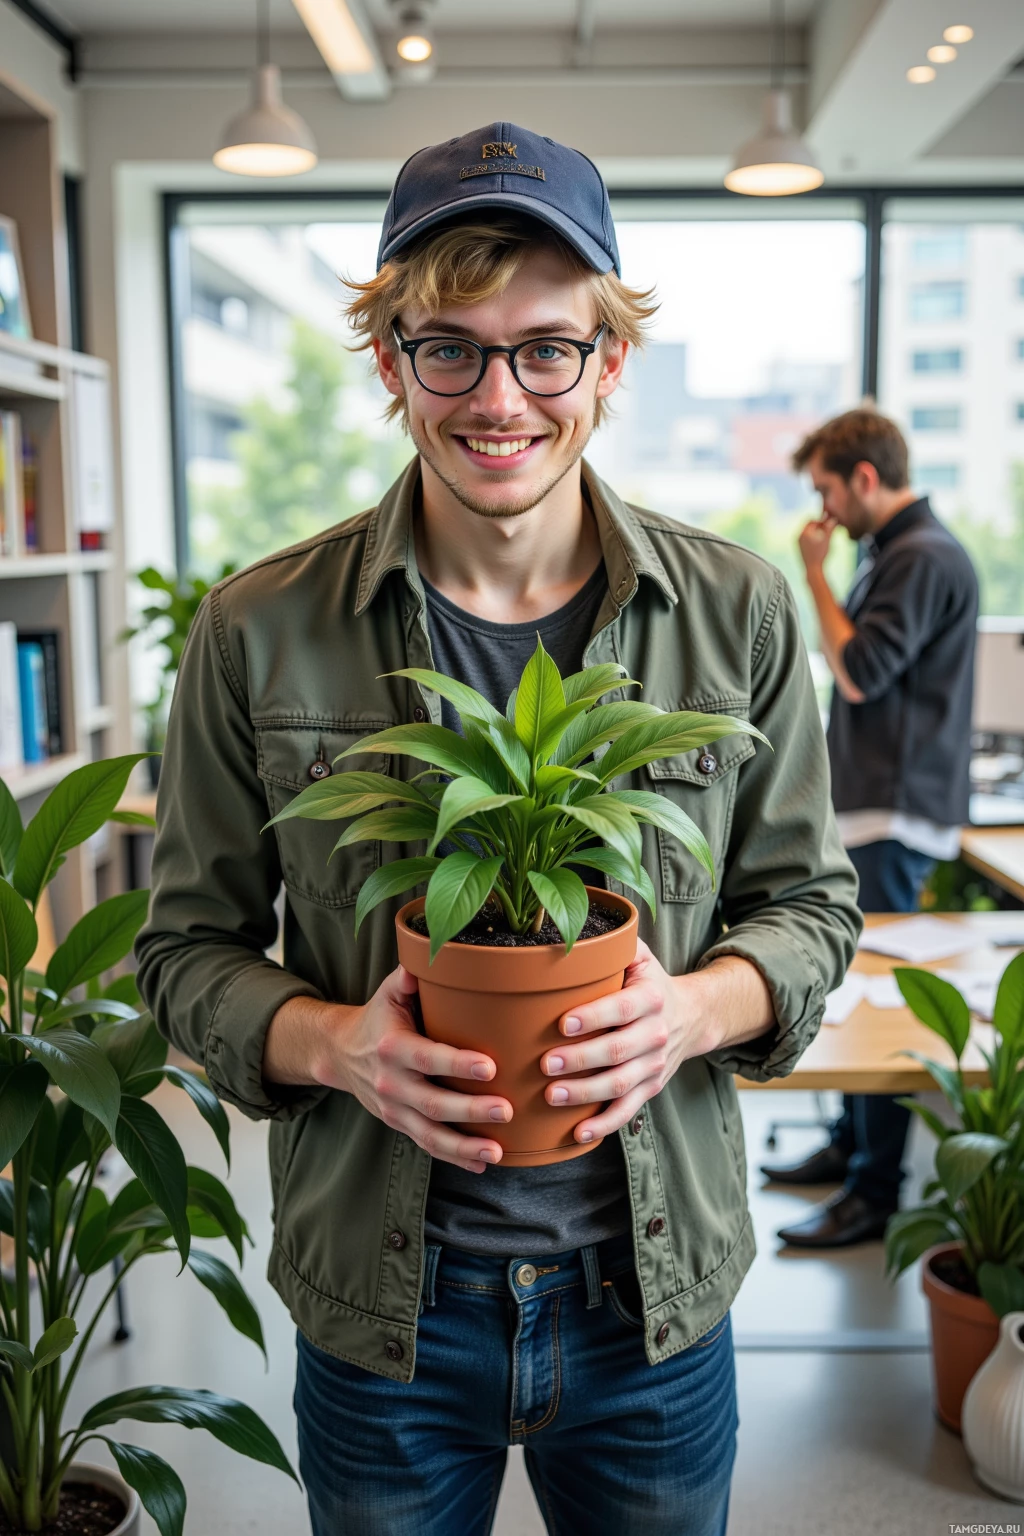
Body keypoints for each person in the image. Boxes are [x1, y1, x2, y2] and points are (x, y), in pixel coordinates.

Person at [136, 122, 860, 1536]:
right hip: (385, 1314)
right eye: (449, 346)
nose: (500, 396)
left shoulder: (741, 613)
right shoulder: (258, 629)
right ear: (392, 362)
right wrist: (336, 1042)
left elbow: (811, 913)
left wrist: (693, 1012)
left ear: (610, 362)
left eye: (546, 347)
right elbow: (186, 955)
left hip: (648, 1304)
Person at [763, 409, 978, 1249]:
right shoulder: (899, 555)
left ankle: (872, 1190)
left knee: (876, 997)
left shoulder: (920, 558)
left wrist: (812, 572)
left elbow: (857, 672)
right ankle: (852, 1149)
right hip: (879, 803)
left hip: (894, 810)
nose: (823, 509)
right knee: (857, 979)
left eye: (826, 488)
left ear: (863, 477)